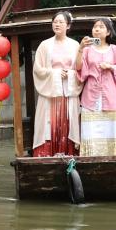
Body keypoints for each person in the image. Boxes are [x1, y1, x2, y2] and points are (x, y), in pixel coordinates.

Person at [76, 18, 116, 157]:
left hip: (110, 94)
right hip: (90, 94)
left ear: (108, 32)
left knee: (111, 127)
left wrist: (111, 67)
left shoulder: (114, 49)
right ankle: (90, 157)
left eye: (101, 27)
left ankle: (114, 157)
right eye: (95, 27)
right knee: (90, 129)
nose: (97, 29)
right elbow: (78, 68)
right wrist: (80, 49)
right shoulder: (87, 50)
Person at [31, 12, 83, 157]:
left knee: (68, 121)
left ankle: (69, 153)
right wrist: (55, 73)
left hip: (68, 91)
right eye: (55, 22)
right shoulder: (45, 45)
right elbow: (38, 69)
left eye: (61, 22)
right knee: (49, 123)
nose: (57, 24)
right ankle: (46, 154)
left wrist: (70, 74)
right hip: (50, 93)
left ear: (68, 26)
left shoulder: (75, 45)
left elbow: (80, 69)